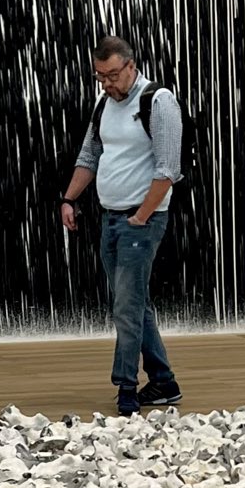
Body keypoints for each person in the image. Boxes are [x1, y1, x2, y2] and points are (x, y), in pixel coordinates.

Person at [60, 35, 183, 415]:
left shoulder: (158, 101)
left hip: (139, 221)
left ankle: (126, 388)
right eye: (100, 77)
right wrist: (69, 199)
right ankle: (164, 382)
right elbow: (90, 154)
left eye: (113, 75)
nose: (107, 84)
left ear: (131, 66)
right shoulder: (104, 104)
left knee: (125, 308)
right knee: (134, 304)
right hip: (111, 217)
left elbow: (168, 169)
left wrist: (142, 216)